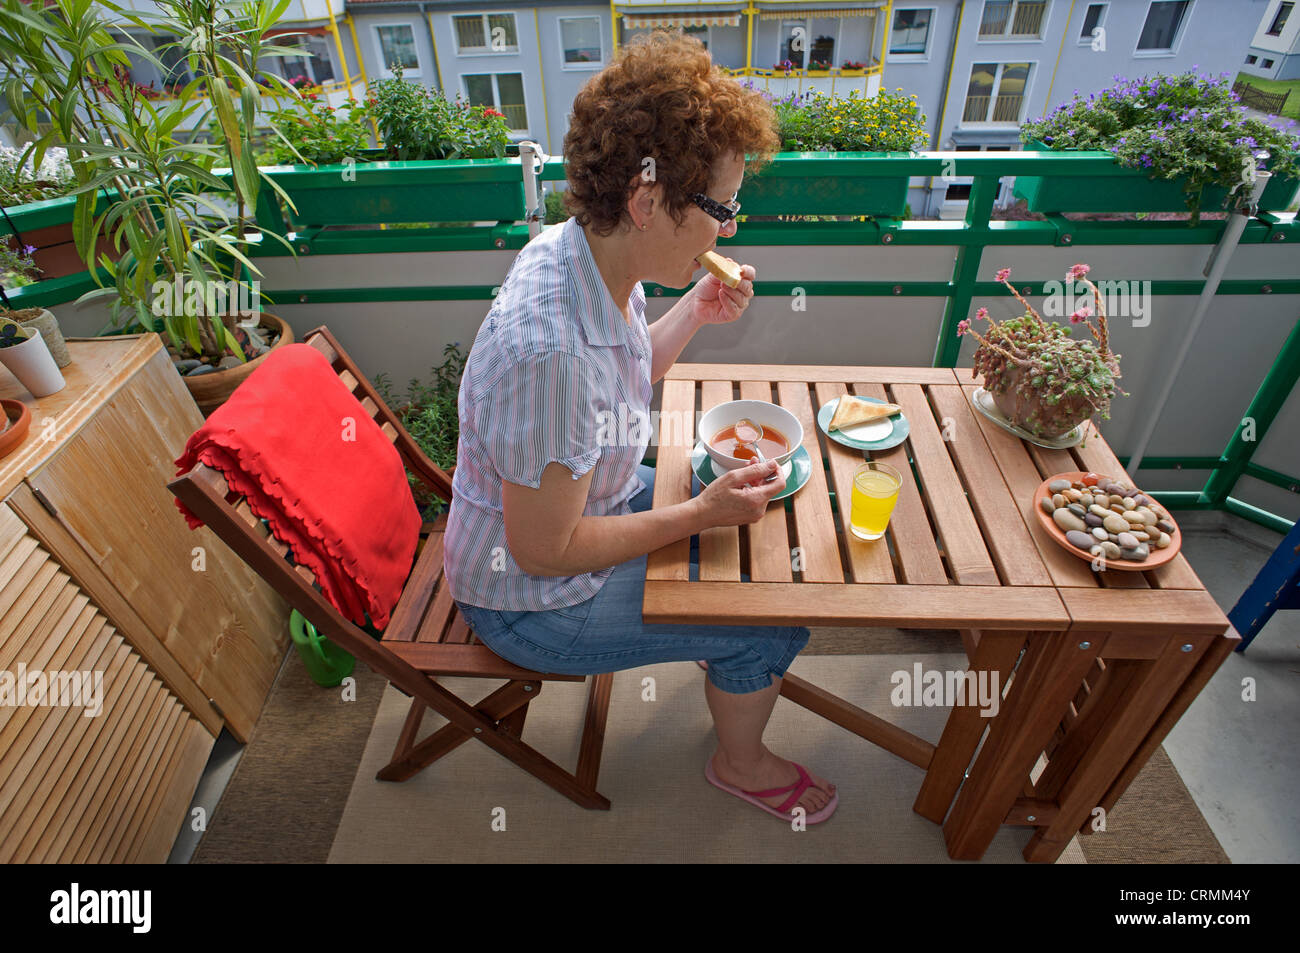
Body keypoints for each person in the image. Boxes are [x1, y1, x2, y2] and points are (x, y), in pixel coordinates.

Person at [446, 30, 836, 823]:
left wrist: (694, 308)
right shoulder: (548, 352)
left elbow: (618, 381)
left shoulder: (585, 256)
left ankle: (705, 636)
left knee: (748, 554)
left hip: (591, 513)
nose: (728, 229)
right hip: (533, 600)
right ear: (650, 202)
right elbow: (543, 551)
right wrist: (697, 515)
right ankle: (744, 762)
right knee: (771, 612)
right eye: (722, 207)